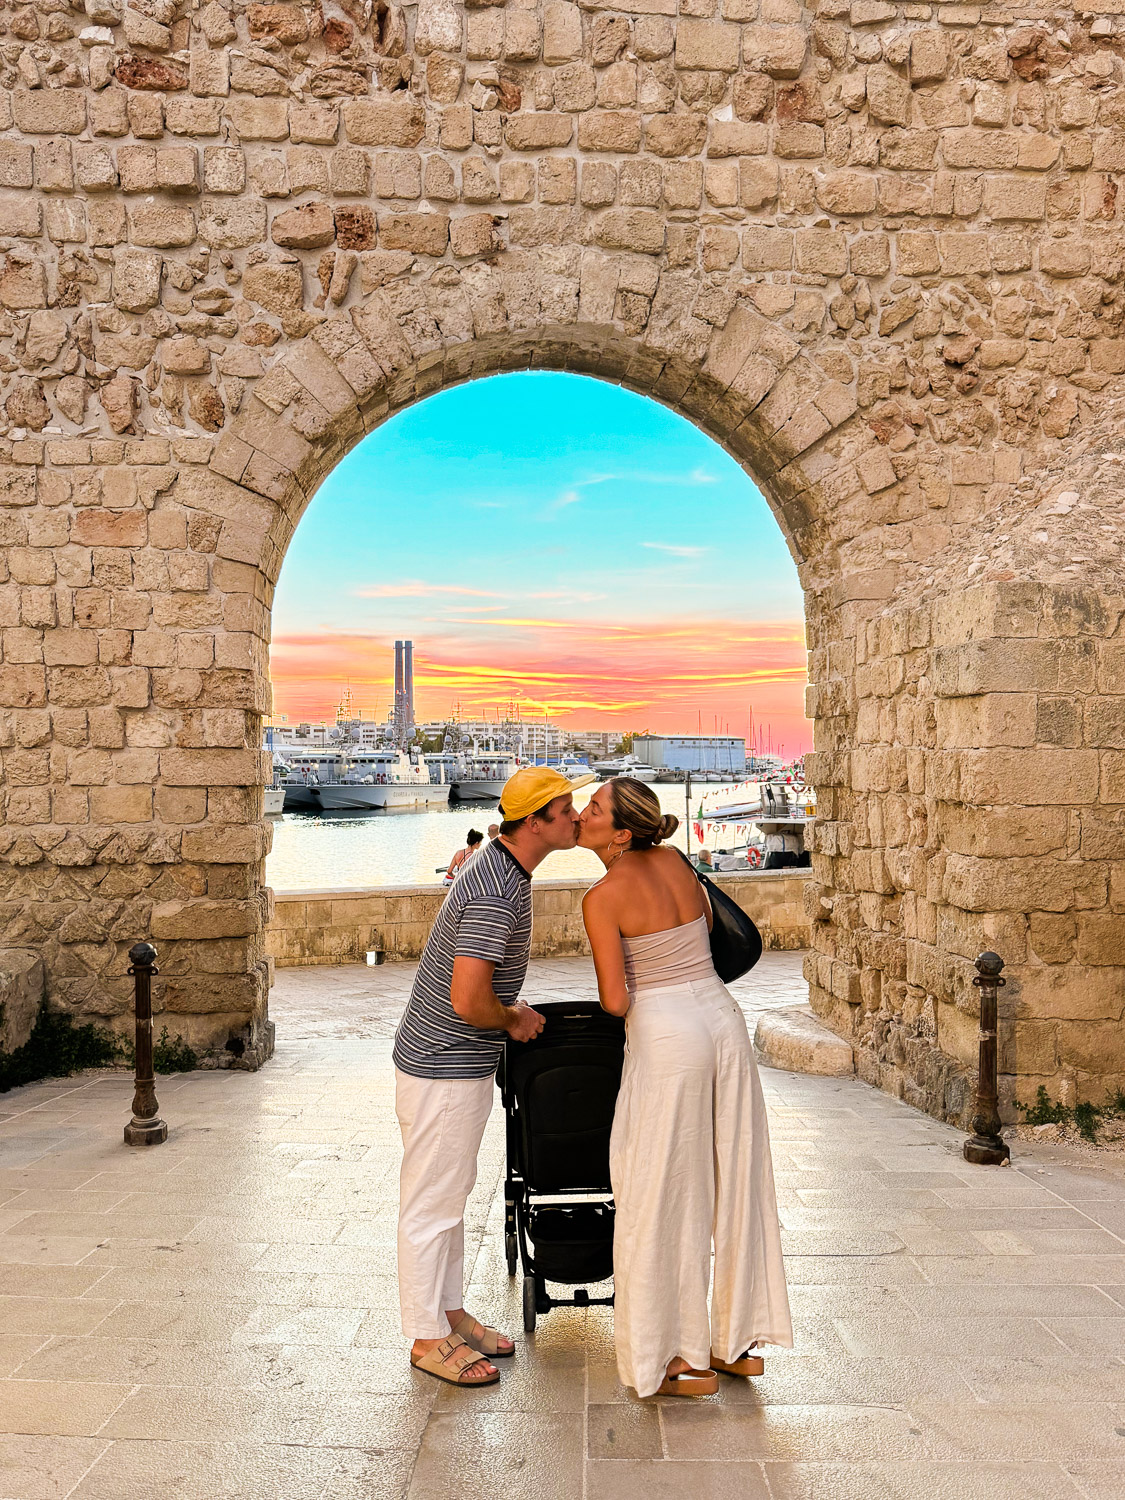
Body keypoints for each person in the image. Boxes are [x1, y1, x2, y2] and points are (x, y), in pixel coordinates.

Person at [578, 777, 792, 1399]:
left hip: (669, 1035)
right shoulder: (677, 861)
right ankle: (736, 1341)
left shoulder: (603, 895)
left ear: (621, 831)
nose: (584, 813)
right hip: (723, 1022)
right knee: (736, 1178)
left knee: (660, 1188)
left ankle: (672, 1355)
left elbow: (616, 1000)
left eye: (593, 808)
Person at [392, 767, 581, 1388]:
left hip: (448, 1061)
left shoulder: (498, 868)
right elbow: (468, 998)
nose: (576, 818)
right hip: (446, 1063)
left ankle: (447, 1314)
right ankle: (425, 1338)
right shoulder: (499, 889)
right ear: (534, 823)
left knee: (449, 1193)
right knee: (433, 1201)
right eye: (565, 810)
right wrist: (514, 1019)